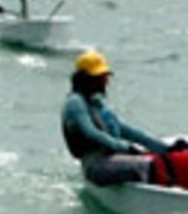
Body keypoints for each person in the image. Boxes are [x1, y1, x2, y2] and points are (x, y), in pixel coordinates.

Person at [61, 51, 171, 186]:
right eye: (101, 77)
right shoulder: (75, 104)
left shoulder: (96, 103)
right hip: (96, 166)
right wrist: (125, 147)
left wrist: (165, 148)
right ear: (86, 79)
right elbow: (91, 133)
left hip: (111, 158)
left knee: (159, 160)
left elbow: (127, 131)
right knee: (148, 165)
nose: (106, 81)